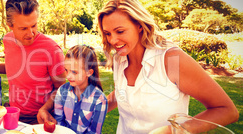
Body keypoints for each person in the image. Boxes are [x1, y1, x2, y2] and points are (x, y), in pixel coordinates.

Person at [97, 0, 239, 133]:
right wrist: (94, 109)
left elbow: (226, 110)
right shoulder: (119, 58)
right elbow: (123, 92)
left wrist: (171, 130)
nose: (112, 40)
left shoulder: (171, 59)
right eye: (107, 33)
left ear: (139, 25)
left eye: (120, 31)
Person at [0, 0, 67, 124]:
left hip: (40, 118)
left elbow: (61, 89)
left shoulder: (52, 49)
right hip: (13, 113)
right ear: (10, 25)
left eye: (34, 25)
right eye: (23, 28)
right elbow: (14, 67)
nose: (31, 33)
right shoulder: (8, 40)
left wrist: (45, 109)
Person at [54, 45, 108, 134]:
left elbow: (94, 132)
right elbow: (59, 122)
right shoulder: (62, 91)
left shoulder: (99, 100)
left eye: (74, 72)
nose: (68, 76)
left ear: (89, 72)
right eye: (66, 70)